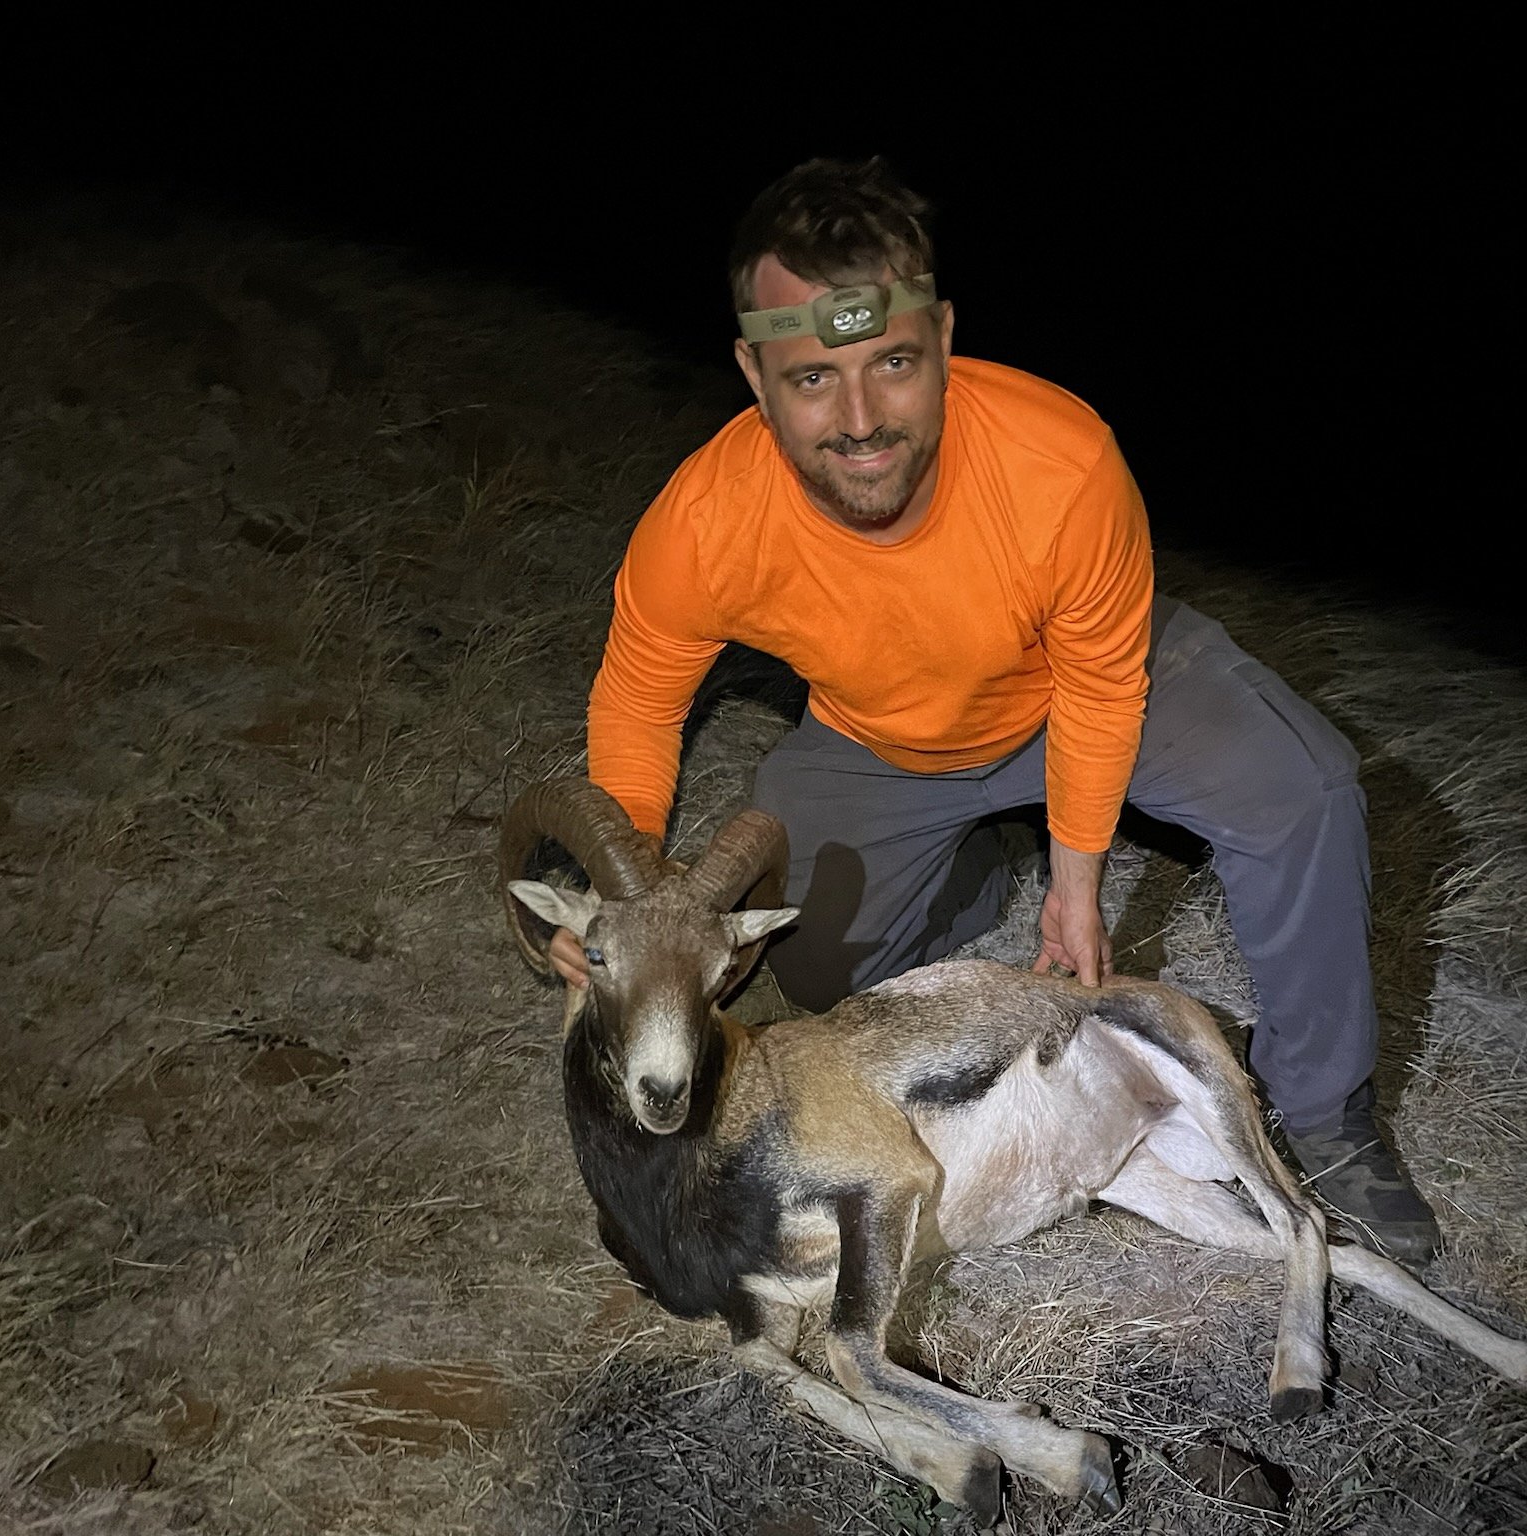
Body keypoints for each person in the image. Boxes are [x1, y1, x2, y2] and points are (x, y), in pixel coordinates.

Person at [550, 157, 1441, 1263]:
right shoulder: (701, 520)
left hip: (1082, 680)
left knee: (1300, 792)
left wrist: (1077, 880)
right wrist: (620, 911)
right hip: (880, 735)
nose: (862, 419)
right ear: (750, 370)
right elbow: (638, 696)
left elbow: (1106, 679)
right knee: (815, 967)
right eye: (812, 378)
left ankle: (1323, 1112)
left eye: (891, 363)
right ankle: (975, 867)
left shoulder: (1058, 460)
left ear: (944, 341)